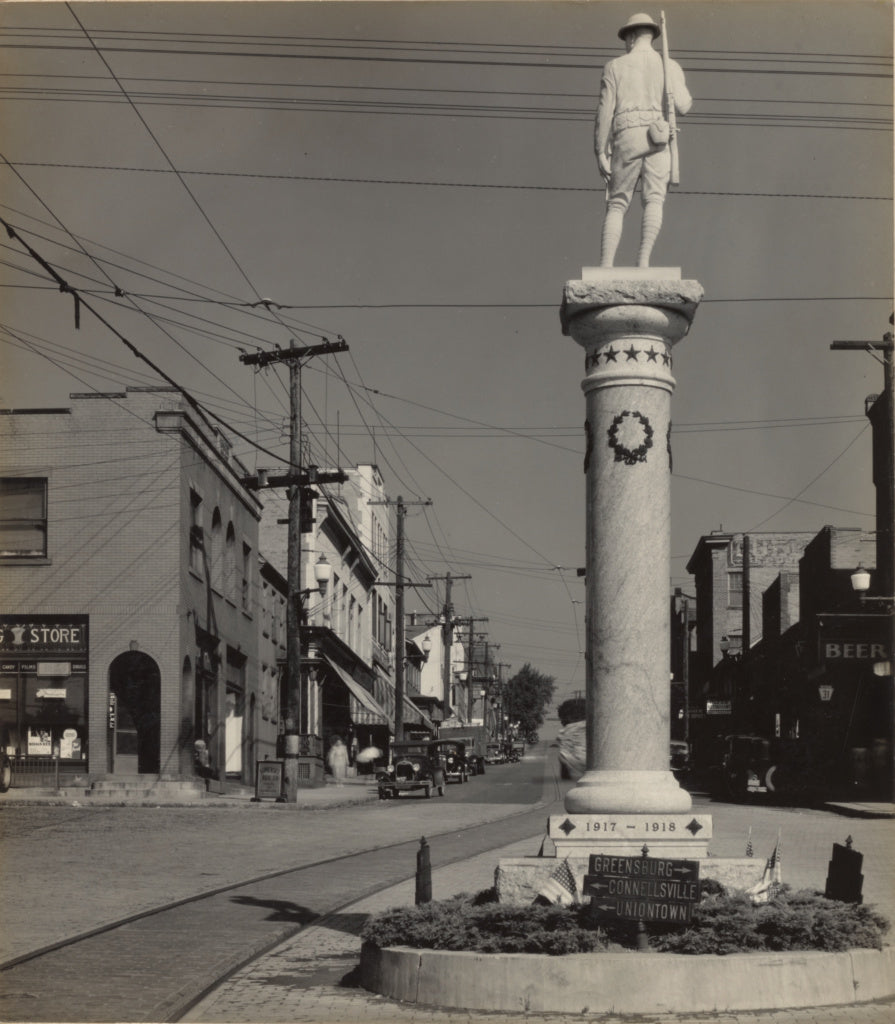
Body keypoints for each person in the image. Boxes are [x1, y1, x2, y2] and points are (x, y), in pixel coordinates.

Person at [594, 12, 692, 268]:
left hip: (626, 136)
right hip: (659, 138)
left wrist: (600, 151)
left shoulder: (615, 66)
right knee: (654, 200)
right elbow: (684, 106)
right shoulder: (668, 65)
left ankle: (606, 264)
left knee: (617, 203)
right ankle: (644, 261)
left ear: (632, 36)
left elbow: (605, 111)